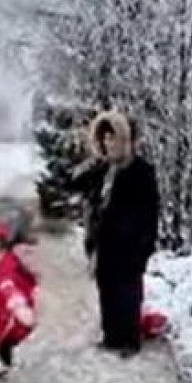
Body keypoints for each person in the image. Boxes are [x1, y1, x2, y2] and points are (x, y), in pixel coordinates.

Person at [71, 108, 160, 358]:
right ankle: (111, 336)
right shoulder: (102, 170)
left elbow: (151, 212)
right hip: (105, 242)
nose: (109, 144)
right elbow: (75, 184)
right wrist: (93, 162)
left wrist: (145, 246)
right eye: (105, 139)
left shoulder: (141, 171)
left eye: (113, 138)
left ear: (125, 139)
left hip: (130, 245)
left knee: (129, 293)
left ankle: (129, 340)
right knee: (107, 289)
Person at [0, 209, 40, 378]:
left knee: (25, 324)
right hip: (4, 297)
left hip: (21, 293)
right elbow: (3, 279)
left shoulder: (22, 253)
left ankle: (5, 345)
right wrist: (12, 295)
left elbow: (29, 268)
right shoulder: (6, 259)